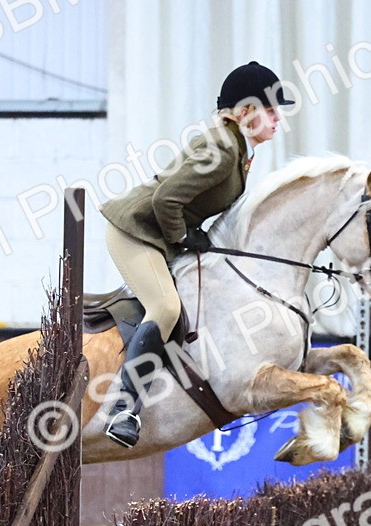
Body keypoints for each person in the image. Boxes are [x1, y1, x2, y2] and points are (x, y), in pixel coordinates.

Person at [98, 61, 294, 448]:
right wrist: (186, 237)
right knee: (167, 308)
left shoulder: (238, 148)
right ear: (245, 112)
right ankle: (124, 409)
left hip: (158, 233)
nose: (277, 119)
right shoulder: (223, 148)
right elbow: (165, 199)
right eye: (270, 110)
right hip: (136, 231)